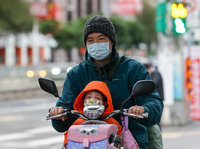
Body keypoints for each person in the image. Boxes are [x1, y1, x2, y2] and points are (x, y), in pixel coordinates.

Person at [49, 15, 163, 149]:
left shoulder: (133, 69)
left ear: (112, 42)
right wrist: (58, 114)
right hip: (87, 143)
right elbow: (63, 113)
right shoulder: (76, 74)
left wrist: (144, 109)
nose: (95, 44)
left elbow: (154, 103)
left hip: (129, 142)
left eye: (101, 39)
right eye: (90, 40)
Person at [63, 80, 123, 146]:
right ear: (83, 101)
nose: (92, 100)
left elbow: (120, 136)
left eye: (97, 98)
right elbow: (69, 137)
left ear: (105, 103)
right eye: (89, 97)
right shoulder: (78, 123)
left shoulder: (110, 122)